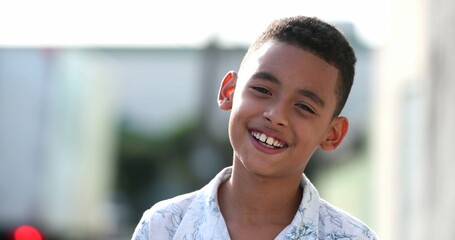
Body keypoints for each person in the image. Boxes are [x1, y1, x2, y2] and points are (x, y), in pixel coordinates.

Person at [132, 16, 378, 240]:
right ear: (229, 91)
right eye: (262, 90)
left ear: (332, 134)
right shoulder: (162, 228)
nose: (276, 115)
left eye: (304, 106)